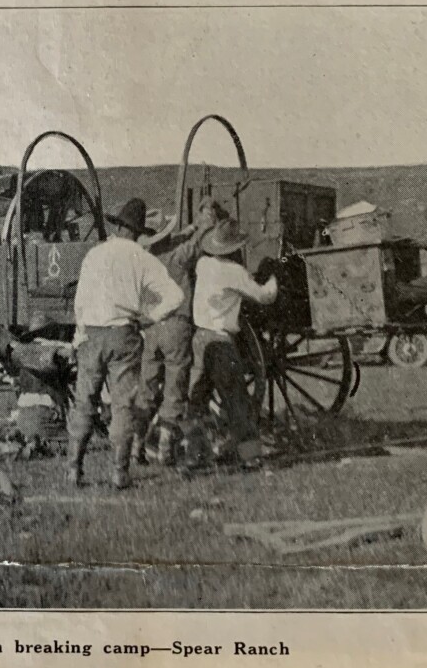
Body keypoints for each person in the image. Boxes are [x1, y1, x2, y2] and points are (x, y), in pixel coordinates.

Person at [66, 198, 184, 490]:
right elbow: (176, 296)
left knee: (84, 401)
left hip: (92, 334)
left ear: (118, 226)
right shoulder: (142, 258)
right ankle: (119, 471)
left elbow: (80, 303)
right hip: (124, 335)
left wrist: (80, 334)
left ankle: (73, 469)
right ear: (139, 232)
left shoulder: (94, 255)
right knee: (123, 405)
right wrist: (150, 318)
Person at [131, 196, 228, 466]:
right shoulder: (177, 257)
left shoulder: (144, 263)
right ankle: (164, 449)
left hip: (151, 332)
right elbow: (196, 244)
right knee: (175, 388)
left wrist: (192, 228)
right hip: (176, 328)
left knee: (148, 389)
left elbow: (184, 238)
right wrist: (207, 220)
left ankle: (135, 446)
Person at [184, 224, 278, 472]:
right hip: (221, 342)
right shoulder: (235, 272)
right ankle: (250, 456)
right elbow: (263, 296)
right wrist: (273, 278)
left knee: (197, 399)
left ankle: (194, 454)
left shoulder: (203, 265)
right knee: (237, 400)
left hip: (199, 339)